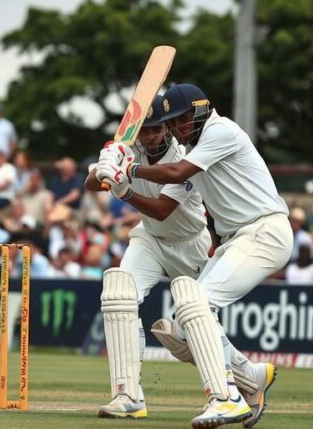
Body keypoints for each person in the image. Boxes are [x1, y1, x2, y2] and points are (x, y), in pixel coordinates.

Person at [97, 84, 291, 428]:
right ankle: (250, 378)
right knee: (186, 316)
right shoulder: (194, 145)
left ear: (202, 110)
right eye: (172, 121)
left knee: (195, 303)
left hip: (264, 231)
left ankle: (227, 399)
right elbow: (221, 197)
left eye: (182, 119)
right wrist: (109, 163)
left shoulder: (220, 131)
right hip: (235, 236)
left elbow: (176, 174)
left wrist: (127, 172)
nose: (176, 127)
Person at [85, 95, 212, 418]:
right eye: (146, 130)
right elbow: (91, 184)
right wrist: (105, 164)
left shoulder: (185, 157)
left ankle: (246, 380)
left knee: (199, 327)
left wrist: (123, 190)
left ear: (168, 127)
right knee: (119, 295)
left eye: (158, 129)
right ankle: (128, 395)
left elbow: (163, 210)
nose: (152, 136)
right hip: (150, 239)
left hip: (190, 243)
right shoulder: (131, 148)